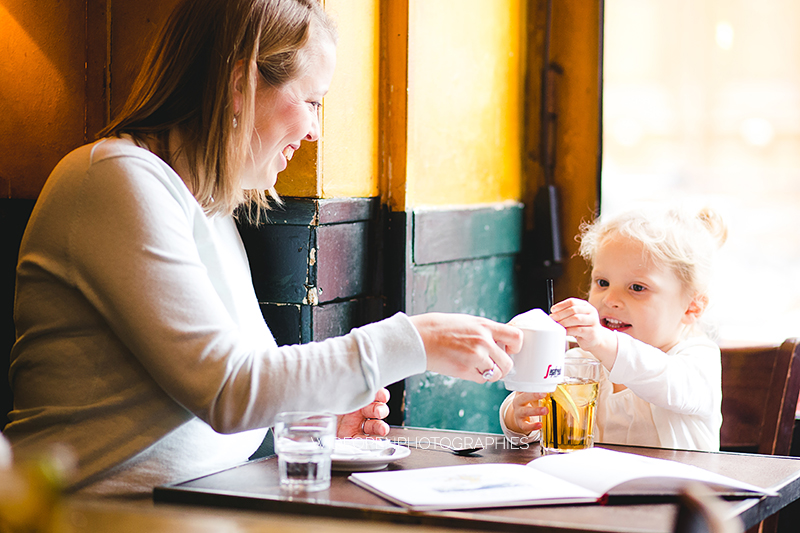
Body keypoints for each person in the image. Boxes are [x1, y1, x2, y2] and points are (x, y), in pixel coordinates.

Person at [4, 0, 522, 497]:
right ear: (241, 83)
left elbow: (241, 390)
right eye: (313, 101)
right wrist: (415, 341)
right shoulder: (114, 180)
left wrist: (314, 417)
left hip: (200, 503)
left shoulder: (208, 208)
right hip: (86, 513)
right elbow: (229, 391)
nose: (317, 130)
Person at [500, 206, 728, 452]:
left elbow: (666, 382)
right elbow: (533, 418)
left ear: (692, 307)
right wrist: (518, 417)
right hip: (595, 487)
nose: (610, 299)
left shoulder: (698, 358)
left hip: (681, 489)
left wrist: (601, 340)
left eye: (637, 288)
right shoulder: (581, 363)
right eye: (602, 283)